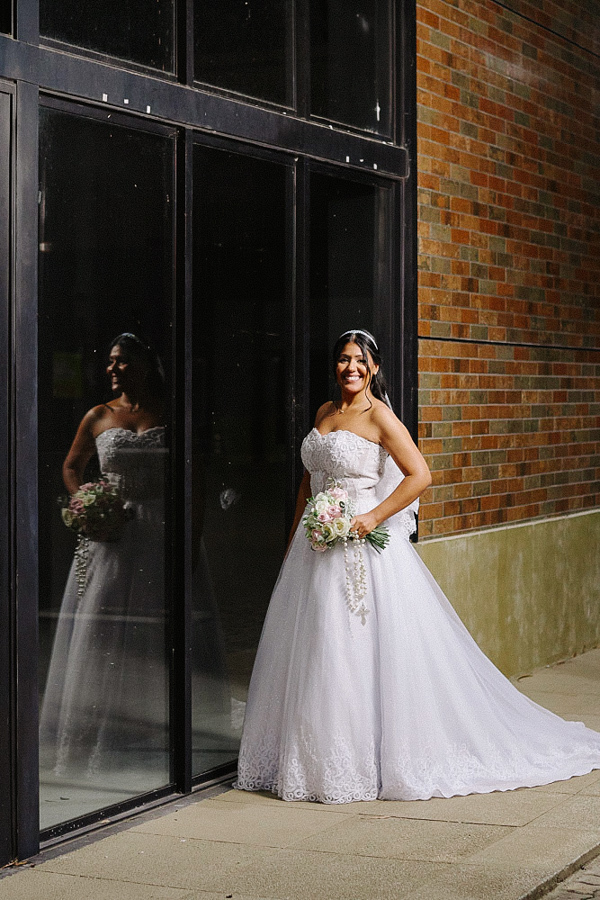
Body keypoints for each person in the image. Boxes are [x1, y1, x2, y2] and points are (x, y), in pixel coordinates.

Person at [235, 328, 600, 804]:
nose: (351, 368)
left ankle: (360, 761)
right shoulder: (326, 413)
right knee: (314, 648)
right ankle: (308, 758)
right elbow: (309, 481)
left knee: (347, 647)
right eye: (343, 360)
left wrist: (370, 517)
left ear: (374, 368)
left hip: (358, 549)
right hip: (315, 547)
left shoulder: (380, 416)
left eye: (359, 361)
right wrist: (292, 545)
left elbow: (420, 474)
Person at [40, 334, 233, 793]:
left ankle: (164, 738)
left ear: (146, 364)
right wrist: (86, 500)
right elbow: (72, 465)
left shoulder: (171, 412)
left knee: (158, 634)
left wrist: (190, 542)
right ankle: (104, 737)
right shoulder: (98, 415)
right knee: (104, 632)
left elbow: (196, 480)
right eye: (110, 362)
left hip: (162, 534)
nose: (113, 369)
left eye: (123, 362)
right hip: (113, 538)